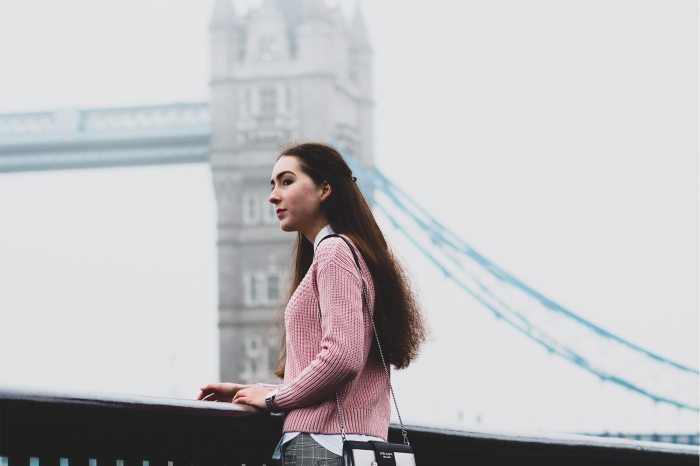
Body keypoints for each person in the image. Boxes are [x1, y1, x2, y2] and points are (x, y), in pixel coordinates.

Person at [198, 142, 427, 465]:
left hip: (324, 447)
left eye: (287, 181)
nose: (273, 195)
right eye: (272, 185)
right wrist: (252, 390)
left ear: (324, 189)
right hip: (360, 447)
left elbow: (341, 358)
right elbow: (339, 373)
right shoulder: (357, 253)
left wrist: (275, 399)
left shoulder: (334, 253)